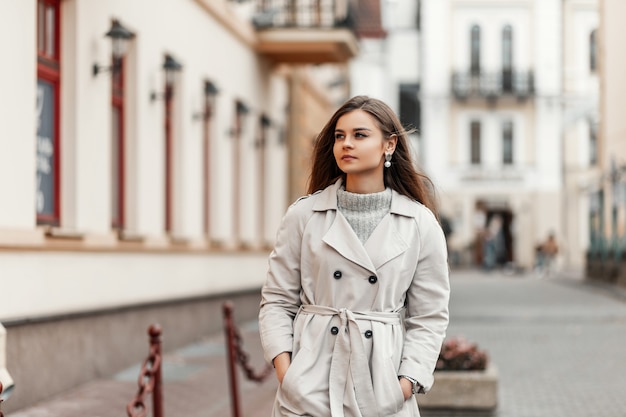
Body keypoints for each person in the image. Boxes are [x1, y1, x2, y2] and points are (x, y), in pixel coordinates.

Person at [258, 96, 450, 417]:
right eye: (339, 136)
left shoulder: (419, 223)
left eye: (360, 135)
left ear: (389, 145)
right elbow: (277, 301)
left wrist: (404, 384)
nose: (346, 144)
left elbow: (429, 317)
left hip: (381, 385)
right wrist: (287, 372)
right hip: (310, 382)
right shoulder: (304, 214)